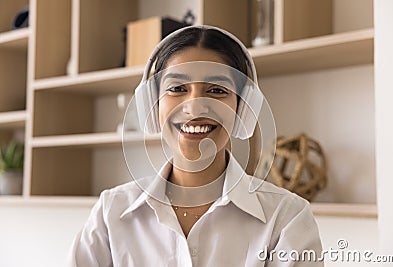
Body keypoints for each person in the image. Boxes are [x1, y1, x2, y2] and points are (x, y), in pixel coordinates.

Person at [68, 25, 323, 267]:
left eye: (216, 90)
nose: (195, 106)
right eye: (177, 88)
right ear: (153, 105)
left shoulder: (287, 217)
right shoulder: (111, 212)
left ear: (242, 108)